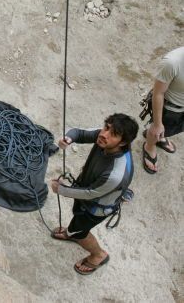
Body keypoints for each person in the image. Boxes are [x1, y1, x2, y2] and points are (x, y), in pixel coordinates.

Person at [49, 113, 138, 275]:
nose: (104, 134)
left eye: (113, 134)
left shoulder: (116, 173)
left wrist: (60, 189)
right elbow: (80, 133)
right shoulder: (105, 139)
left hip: (95, 208)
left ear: (123, 142)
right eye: (106, 127)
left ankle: (98, 255)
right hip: (91, 193)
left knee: (80, 231)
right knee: (76, 221)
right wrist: (68, 139)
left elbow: (90, 193)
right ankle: (72, 231)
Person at [142, 46, 183, 174]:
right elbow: (158, 93)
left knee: (169, 130)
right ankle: (149, 146)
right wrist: (158, 124)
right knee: (157, 130)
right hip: (170, 109)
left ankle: (160, 137)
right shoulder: (172, 62)